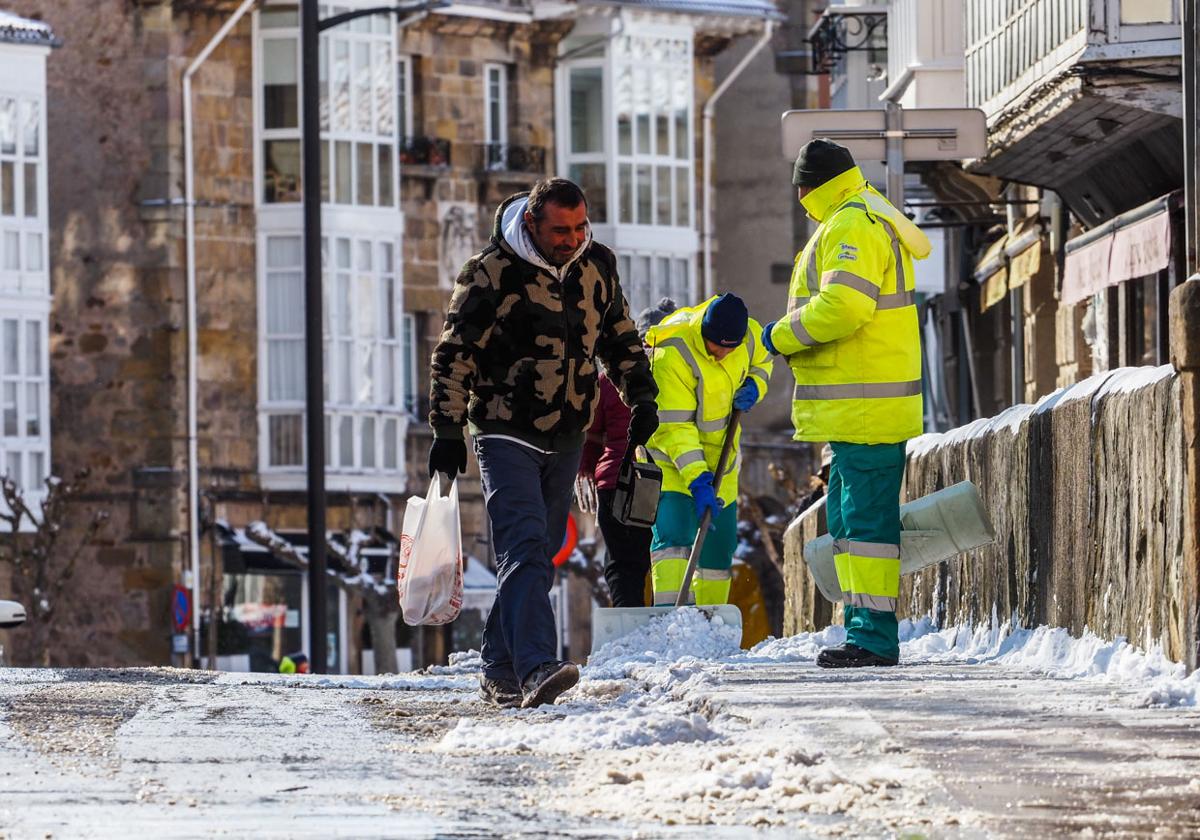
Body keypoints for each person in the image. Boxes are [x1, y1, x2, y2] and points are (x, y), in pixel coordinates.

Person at [428, 178, 658, 708]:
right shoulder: (490, 272)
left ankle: (497, 665)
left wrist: (641, 396)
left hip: (569, 432)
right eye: (561, 230)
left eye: (580, 227)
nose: (572, 238)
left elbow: (619, 337)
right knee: (523, 544)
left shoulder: (596, 263)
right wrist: (446, 429)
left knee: (539, 551)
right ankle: (535, 667)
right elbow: (453, 355)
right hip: (504, 428)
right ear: (532, 223)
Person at [760, 139, 929, 668]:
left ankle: (874, 638)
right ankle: (863, 629)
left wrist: (780, 336)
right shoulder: (857, 217)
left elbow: (844, 307)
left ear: (809, 187)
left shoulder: (851, 224)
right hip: (858, 410)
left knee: (866, 526)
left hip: (866, 408)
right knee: (851, 521)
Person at [643, 293, 772, 607]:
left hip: (723, 463)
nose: (723, 354)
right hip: (673, 460)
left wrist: (756, 384)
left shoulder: (749, 336)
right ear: (704, 334)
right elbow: (675, 428)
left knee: (719, 547)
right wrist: (697, 481)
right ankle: (669, 621)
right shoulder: (673, 352)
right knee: (674, 538)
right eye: (717, 346)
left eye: (731, 348)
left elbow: (763, 362)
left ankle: (712, 624)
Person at [577, 298, 678, 608]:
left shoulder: (609, 380)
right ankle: (670, 623)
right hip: (665, 480)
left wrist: (585, 472)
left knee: (623, 563)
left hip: (615, 481)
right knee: (667, 557)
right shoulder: (680, 375)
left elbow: (590, 435)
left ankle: (628, 626)